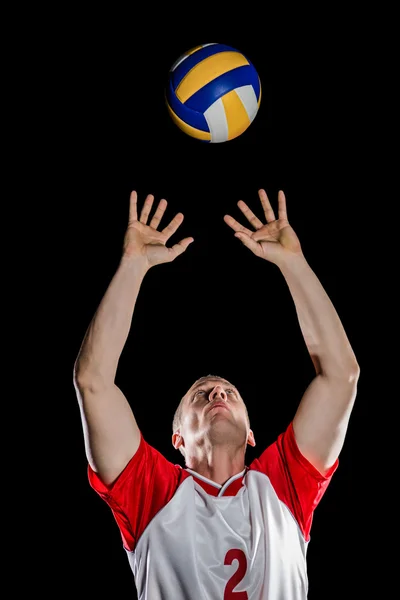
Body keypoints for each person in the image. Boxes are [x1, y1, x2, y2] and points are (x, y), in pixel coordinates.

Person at [73, 189, 360, 599]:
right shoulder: (151, 493)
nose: (217, 394)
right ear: (178, 440)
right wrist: (133, 266)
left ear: (250, 434)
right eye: (200, 395)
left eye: (228, 392)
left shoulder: (282, 485)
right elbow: (92, 381)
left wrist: (293, 263)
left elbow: (342, 375)